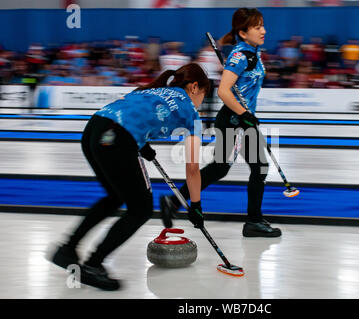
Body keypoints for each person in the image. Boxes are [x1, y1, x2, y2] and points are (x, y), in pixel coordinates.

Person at [49, 63, 210, 291]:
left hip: (95, 129)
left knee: (115, 197)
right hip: (117, 139)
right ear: (195, 87)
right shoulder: (191, 113)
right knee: (141, 209)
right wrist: (195, 205)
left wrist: (142, 145)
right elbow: (193, 168)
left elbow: (133, 110)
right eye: (204, 95)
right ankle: (94, 265)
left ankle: (67, 248)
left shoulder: (153, 89)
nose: (201, 102)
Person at [160, 8, 281, 238]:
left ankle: (175, 201)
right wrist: (244, 115)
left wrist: (246, 115)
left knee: (241, 167)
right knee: (244, 167)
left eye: (263, 25)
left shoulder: (252, 51)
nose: (264, 30)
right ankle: (252, 221)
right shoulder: (240, 55)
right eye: (258, 27)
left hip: (241, 119)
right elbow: (225, 91)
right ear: (244, 33)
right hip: (235, 120)